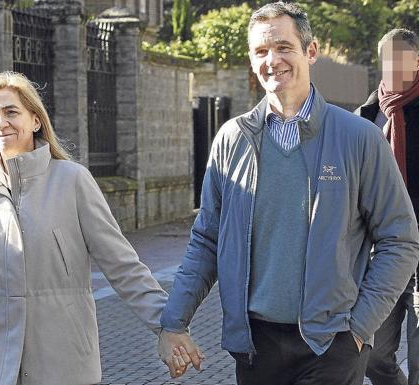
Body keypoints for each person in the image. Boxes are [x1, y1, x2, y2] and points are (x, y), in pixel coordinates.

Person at [157, 2, 419, 384]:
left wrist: (360, 328)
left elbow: (400, 239)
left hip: (332, 345)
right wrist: (173, 322)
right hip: (254, 346)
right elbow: (206, 241)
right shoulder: (232, 139)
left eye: (283, 47)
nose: (271, 60)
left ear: (310, 52)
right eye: (261, 51)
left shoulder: (358, 138)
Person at [0, 71, 168, 385]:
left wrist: (167, 325)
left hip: (62, 365)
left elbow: (122, 264)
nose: (1, 123)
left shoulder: (72, 180)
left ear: (36, 121)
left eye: (12, 112)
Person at [356, 28, 419, 385]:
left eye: (402, 59)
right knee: (375, 356)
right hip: (384, 252)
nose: (393, 67)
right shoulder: (365, 117)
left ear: (416, 61)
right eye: (387, 59)